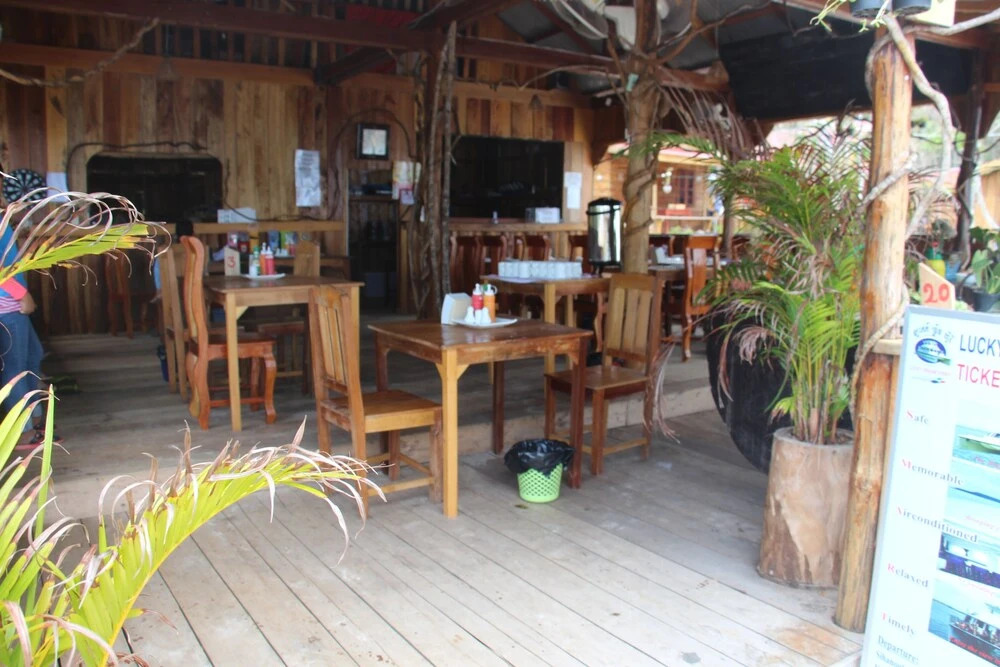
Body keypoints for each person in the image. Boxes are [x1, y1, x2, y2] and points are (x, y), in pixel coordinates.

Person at [0, 217, 46, 447]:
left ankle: (34, 421)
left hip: (12, 302)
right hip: (7, 304)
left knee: (32, 357)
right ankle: (23, 431)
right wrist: (21, 293)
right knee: (15, 369)